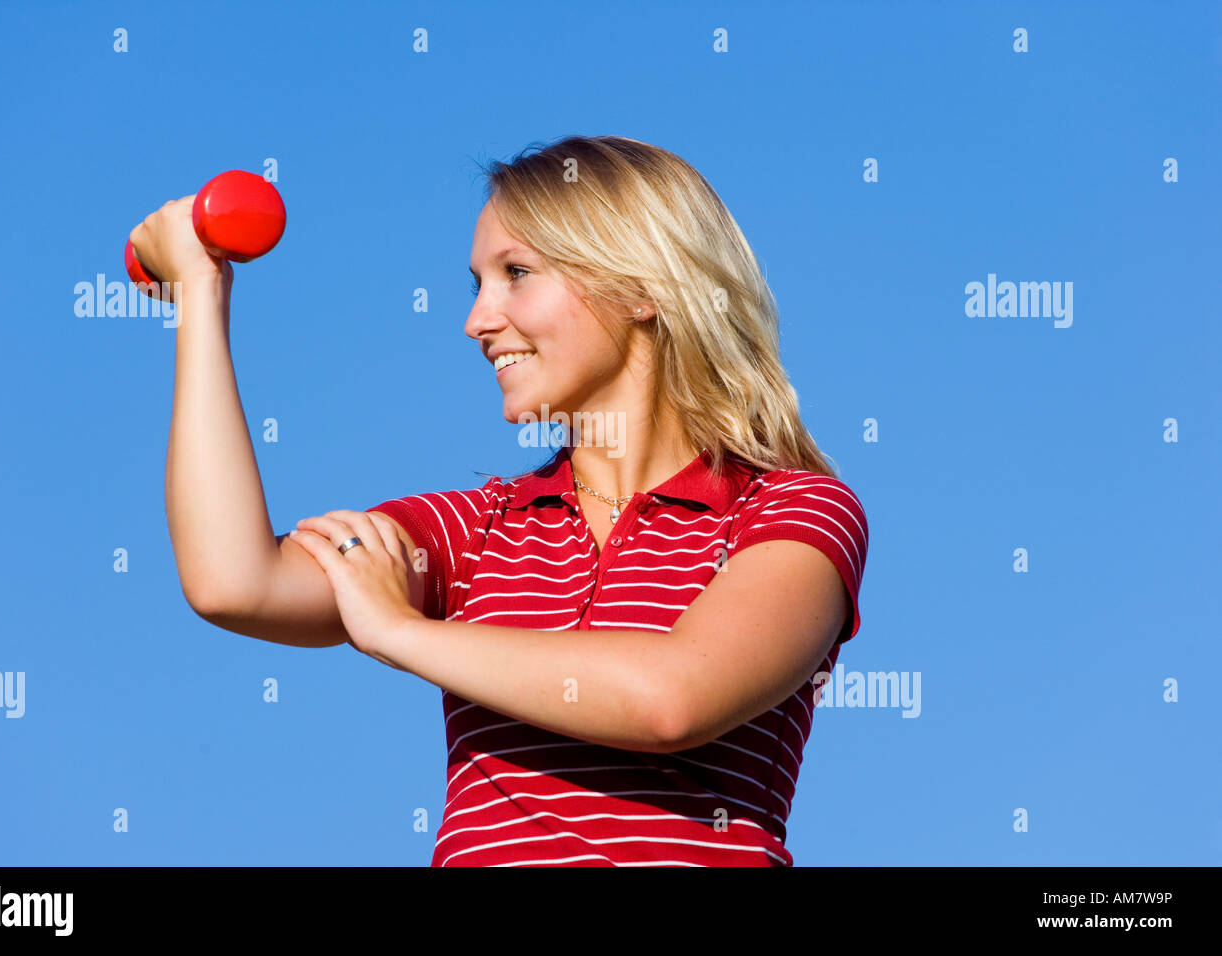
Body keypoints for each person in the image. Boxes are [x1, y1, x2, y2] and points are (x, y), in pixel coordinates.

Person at [131, 134, 869, 866]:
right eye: (477, 283)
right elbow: (234, 582)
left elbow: (671, 700)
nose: (477, 321)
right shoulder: (478, 530)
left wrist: (401, 633)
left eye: (516, 273)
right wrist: (200, 297)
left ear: (644, 287)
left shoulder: (787, 510)